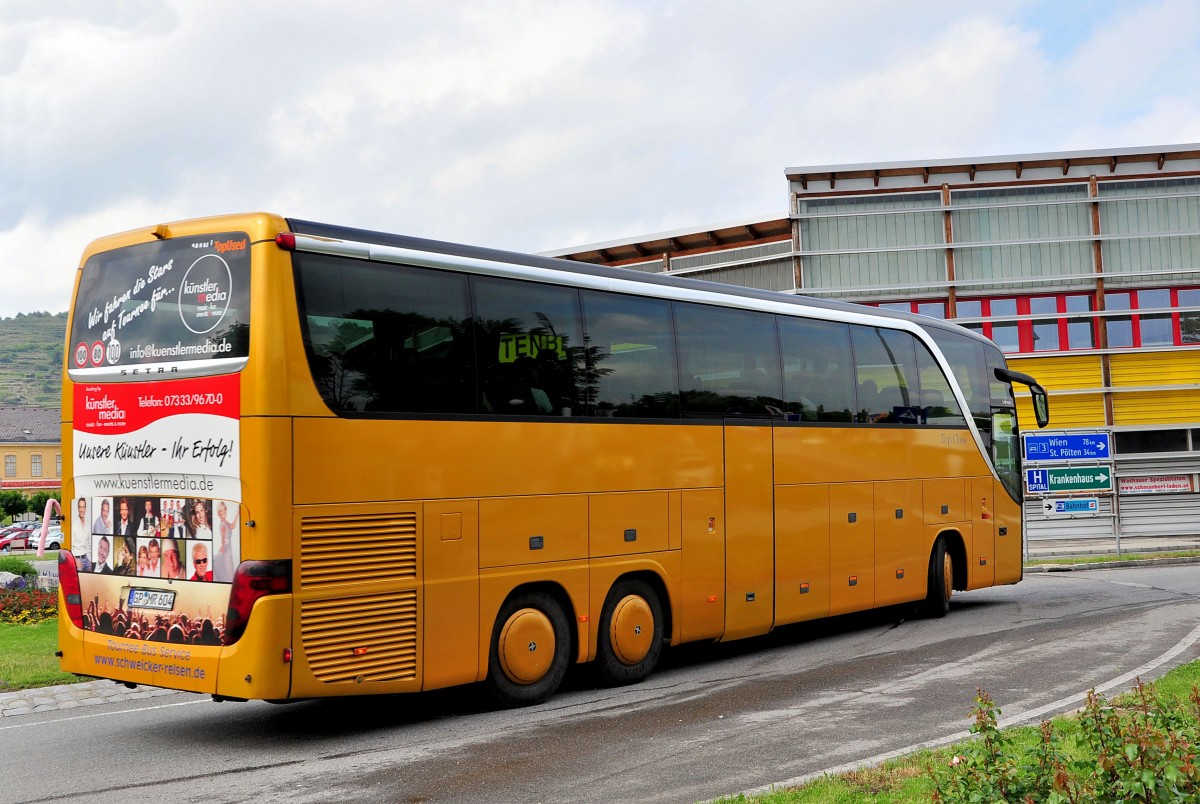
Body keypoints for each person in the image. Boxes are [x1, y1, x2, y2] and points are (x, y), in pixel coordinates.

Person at [214, 500, 238, 583]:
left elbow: (233, 526)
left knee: (229, 570)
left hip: (228, 547)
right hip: (226, 548)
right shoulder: (222, 523)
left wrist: (238, 513)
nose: (223, 511)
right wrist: (223, 546)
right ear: (219, 513)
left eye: (224, 509)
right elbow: (223, 537)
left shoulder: (225, 521)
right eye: (221, 510)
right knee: (227, 570)